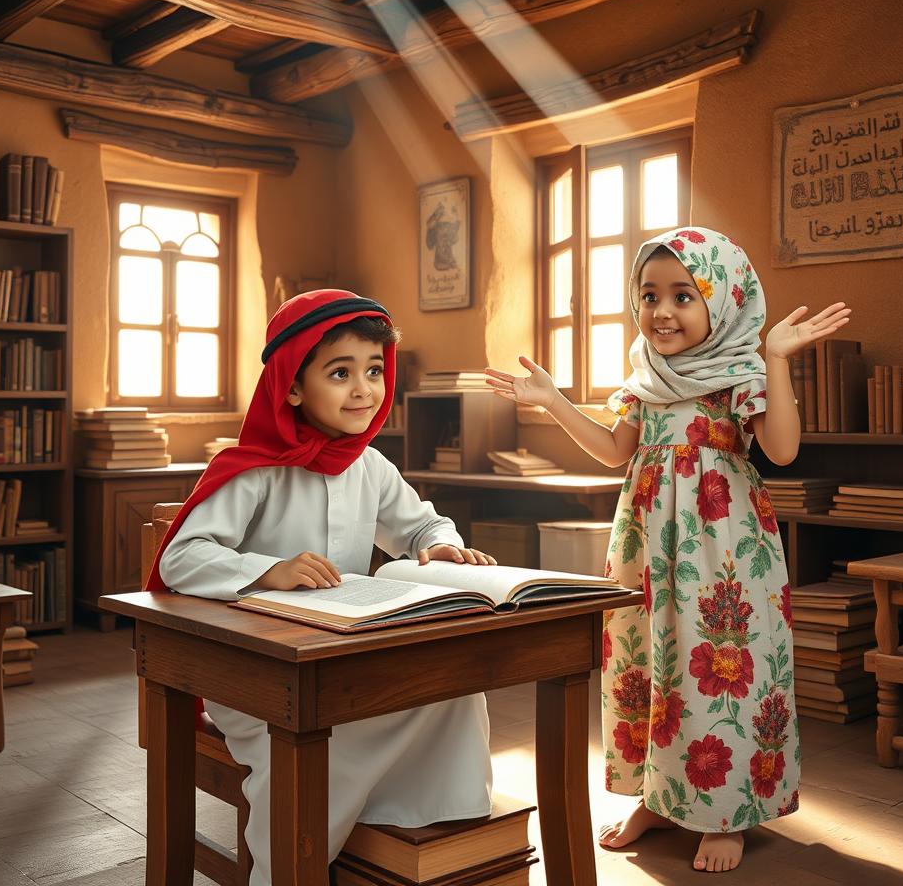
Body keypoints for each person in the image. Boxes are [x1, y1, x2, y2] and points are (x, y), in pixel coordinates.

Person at [486, 228, 851, 873]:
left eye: (684, 295)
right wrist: (554, 402)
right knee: (646, 662)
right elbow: (615, 452)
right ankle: (658, 795)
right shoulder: (644, 378)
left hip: (724, 548)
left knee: (718, 664)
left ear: (725, 297)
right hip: (647, 541)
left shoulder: (741, 374)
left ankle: (725, 810)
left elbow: (785, 451)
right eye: (648, 295)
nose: (661, 311)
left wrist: (779, 359)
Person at [147, 288, 495, 886]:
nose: (364, 389)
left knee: (451, 689)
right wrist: (265, 569)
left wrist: (435, 545)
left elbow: (420, 521)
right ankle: (291, 866)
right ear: (291, 385)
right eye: (340, 372)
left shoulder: (370, 465)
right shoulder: (252, 468)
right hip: (256, 673)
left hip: (341, 657)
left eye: (375, 371)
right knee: (312, 738)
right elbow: (182, 557)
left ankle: (404, 838)